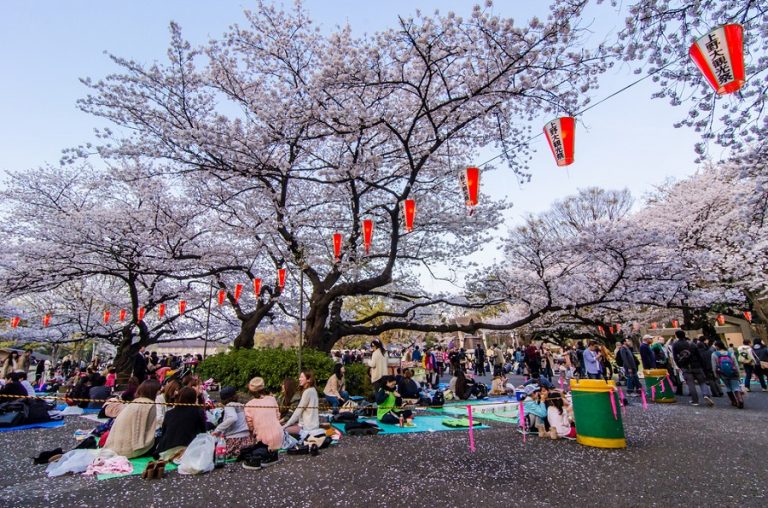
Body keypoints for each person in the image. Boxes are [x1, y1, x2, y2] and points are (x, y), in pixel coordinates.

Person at [104, 379, 161, 458]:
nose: (160, 392)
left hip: (114, 446)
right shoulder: (150, 405)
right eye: (159, 390)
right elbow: (150, 429)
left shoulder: (136, 401)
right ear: (154, 391)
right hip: (130, 449)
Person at [154, 386, 207, 456]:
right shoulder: (198, 411)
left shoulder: (169, 413)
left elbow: (164, 432)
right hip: (187, 448)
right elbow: (203, 431)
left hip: (166, 449)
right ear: (194, 398)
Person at [672, 330, 713, 407]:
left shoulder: (675, 345)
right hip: (696, 365)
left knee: (691, 384)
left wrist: (679, 366)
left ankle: (695, 400)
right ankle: (706, 394)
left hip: (685, 366)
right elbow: (699, 355)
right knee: (702, 382)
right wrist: (701, 365)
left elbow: (675, 357)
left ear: (677, 336)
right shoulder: (692, 344)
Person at [244, 377, 283, 452]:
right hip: (279, 438)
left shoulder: (249, 405)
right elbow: (278, 416)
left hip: (262, 443)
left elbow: (250, 426)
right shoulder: (272, 399)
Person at [213, 386, 252, 459]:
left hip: (234, 440)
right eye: (236, 394)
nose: (237, 395)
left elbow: (233, 418)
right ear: (233, 396)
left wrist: (217, 430)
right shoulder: (241, 406)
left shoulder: (229, 405)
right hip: (247, 439)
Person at [283, 370, 320, 437]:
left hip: (306, 428)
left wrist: (285, 425)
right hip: (314, 425)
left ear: (308, 380)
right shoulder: (313, 390)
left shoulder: (307, 392)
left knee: (283, 430)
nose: (299, 379)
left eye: (302, 377)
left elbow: (298, 412)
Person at [711, 341, 744, 409]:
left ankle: (734, 401)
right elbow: (736, 364)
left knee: (728, 387)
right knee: (736, 387)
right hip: (733, 372)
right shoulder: (730, 353)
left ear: (717, 346)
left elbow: (714, 366)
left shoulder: (714, 354)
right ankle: (740, 400)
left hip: (722, 373)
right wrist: (738, 373)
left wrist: (715, 375)